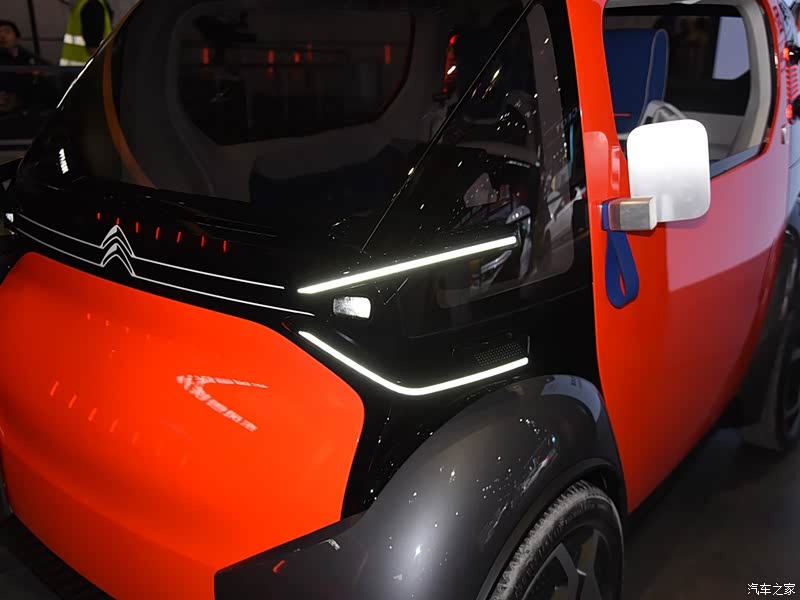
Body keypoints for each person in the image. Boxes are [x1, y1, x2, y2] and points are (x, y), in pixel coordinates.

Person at [60, 0, 114, 66]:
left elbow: (93, 48)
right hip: (82, 67)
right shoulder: (88, 4)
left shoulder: (91, 6)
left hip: (84, 67)